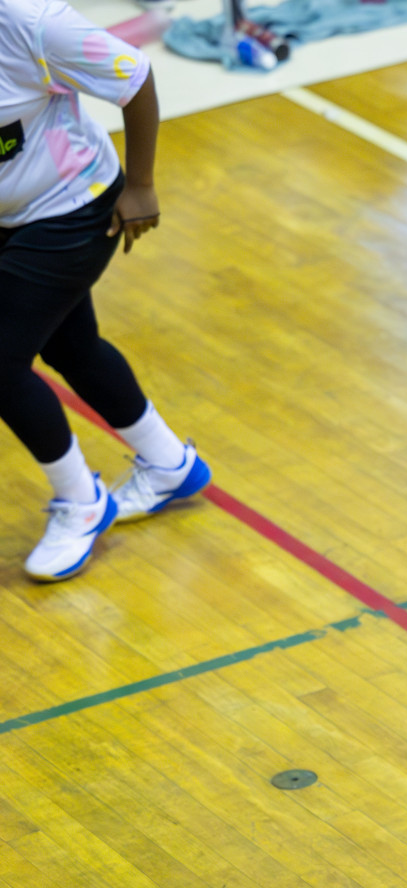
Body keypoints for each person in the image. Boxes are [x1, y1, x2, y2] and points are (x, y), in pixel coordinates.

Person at [1, 0, 209, 582]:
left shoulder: (34, 25)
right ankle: (170, 465)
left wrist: (141, 185)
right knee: (71, 346)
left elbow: (135, 76)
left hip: (73, 207)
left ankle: (81, 503)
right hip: (9, 216)